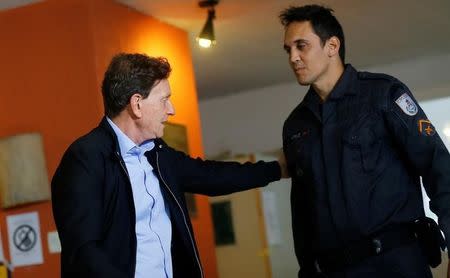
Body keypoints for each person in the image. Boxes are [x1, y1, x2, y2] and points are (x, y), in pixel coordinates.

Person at [51, 53, 288, 278]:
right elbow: (84, 252)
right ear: (137, 104)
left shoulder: (158, 153)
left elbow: (211, 176)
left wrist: (278, 169)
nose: (171, 110)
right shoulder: (85, 159)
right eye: (164, 99)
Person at [279, 4, 450, 278]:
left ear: (332, 45)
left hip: (398, 266)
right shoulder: (296, 125)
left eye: (302, 46)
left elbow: (439, 167)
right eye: (288, 49)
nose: (293, 57)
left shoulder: (383, 94)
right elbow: (302, 212)